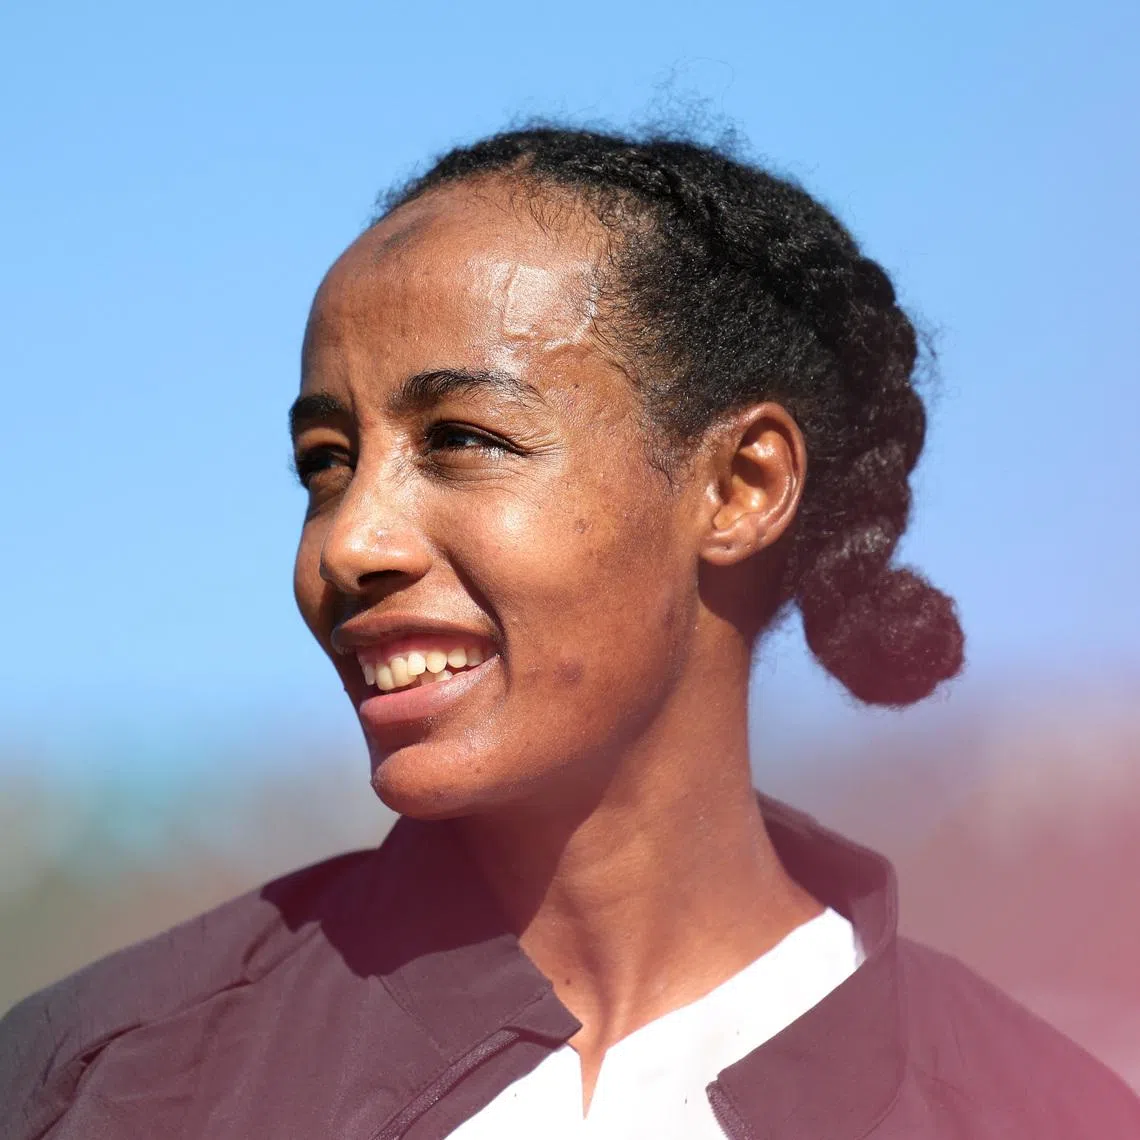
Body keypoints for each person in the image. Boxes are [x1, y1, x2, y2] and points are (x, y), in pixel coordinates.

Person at [2, 125, 1138, 1139]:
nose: (350, 543)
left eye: (463, 438)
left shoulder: (1038, 1113)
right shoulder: (100, 1083)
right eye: (325, 464)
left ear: (742, 486)